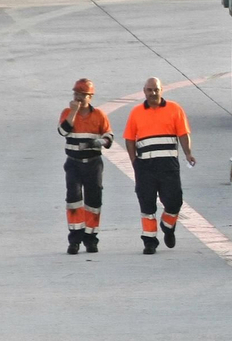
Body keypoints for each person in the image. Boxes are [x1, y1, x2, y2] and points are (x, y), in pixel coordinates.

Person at [122, 77, 194, 255]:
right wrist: (134, 162)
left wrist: (188, 153)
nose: (153, 93)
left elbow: (183, 134)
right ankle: (149, 241)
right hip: (145, 165)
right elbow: (129, 139)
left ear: (162, 90)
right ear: (144, 91)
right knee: (147, 204)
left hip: (168, 164)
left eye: (156, 90)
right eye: (149, 90)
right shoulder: (136, 112)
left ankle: (168, 226)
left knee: (174, 201)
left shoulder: (174, 109)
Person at [57, 78, 112, 254]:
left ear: (90, 96)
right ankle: (74, 240)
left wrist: (100, 142)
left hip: (93, 164)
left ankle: (91, 239)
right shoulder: (67, 112)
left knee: (94, 201)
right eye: (76, 94)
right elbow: (63, 131)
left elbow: (109, 135)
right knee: (73, 200)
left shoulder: (99, 115)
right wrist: (73, 112)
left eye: (82, 95)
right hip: (73, 163)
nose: (78, 98)